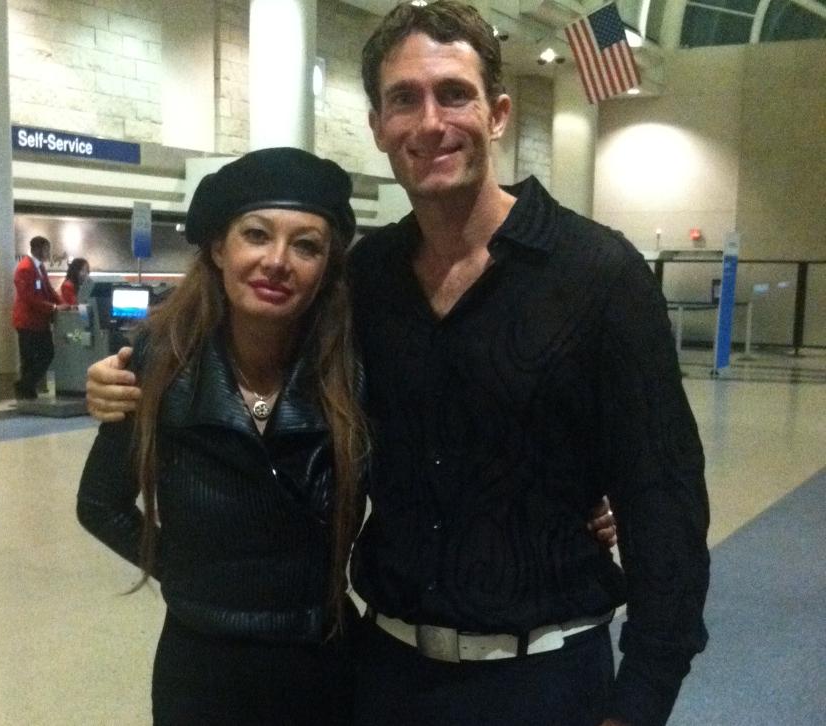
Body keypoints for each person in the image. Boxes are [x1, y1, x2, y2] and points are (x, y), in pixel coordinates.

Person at [84, 3, 707, 725]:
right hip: (385, 676)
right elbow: (252, 330)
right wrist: (126, 378)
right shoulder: (364, 282)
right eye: (404, 99)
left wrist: (639, 702)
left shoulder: (598, 276)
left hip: (544, 680)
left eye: (454, 94)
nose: (430, 122)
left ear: (497, 113)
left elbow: (666, 505)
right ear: (378, 125)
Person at [76, 147, 369, 726]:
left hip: (322, 661)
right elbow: (99, 504)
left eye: (306, 245)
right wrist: (191, 575)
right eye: (256, 235)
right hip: (202, 667)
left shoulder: (354, 371)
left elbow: (430, 477)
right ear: (218, 247)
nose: (277, 262)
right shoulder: (159, 363)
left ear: (327, 265)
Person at [12, 235, 66, 400]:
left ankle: (26, 387)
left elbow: (48, 290)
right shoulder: (24, 269)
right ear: (36, 249)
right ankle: (24, 387)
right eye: (46, 250)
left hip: (39, 322)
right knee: (32, 357)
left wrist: (63, 303)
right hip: (27, 322)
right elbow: (29, 298)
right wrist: (54, 307)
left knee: (45, 354)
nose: (48, 253)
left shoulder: (40, 267)